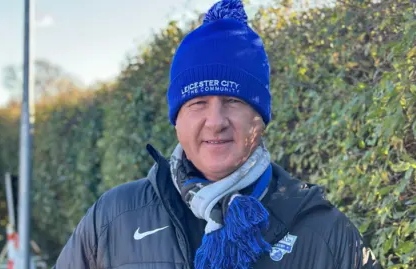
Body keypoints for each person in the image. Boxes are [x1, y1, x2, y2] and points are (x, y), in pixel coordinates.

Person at [53, 0, 381, 268]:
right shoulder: (113, 217)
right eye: (197, 102)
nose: (215, 121)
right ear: (177, 118)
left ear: (260, 116)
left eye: (233, 101)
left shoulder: (325, 231)